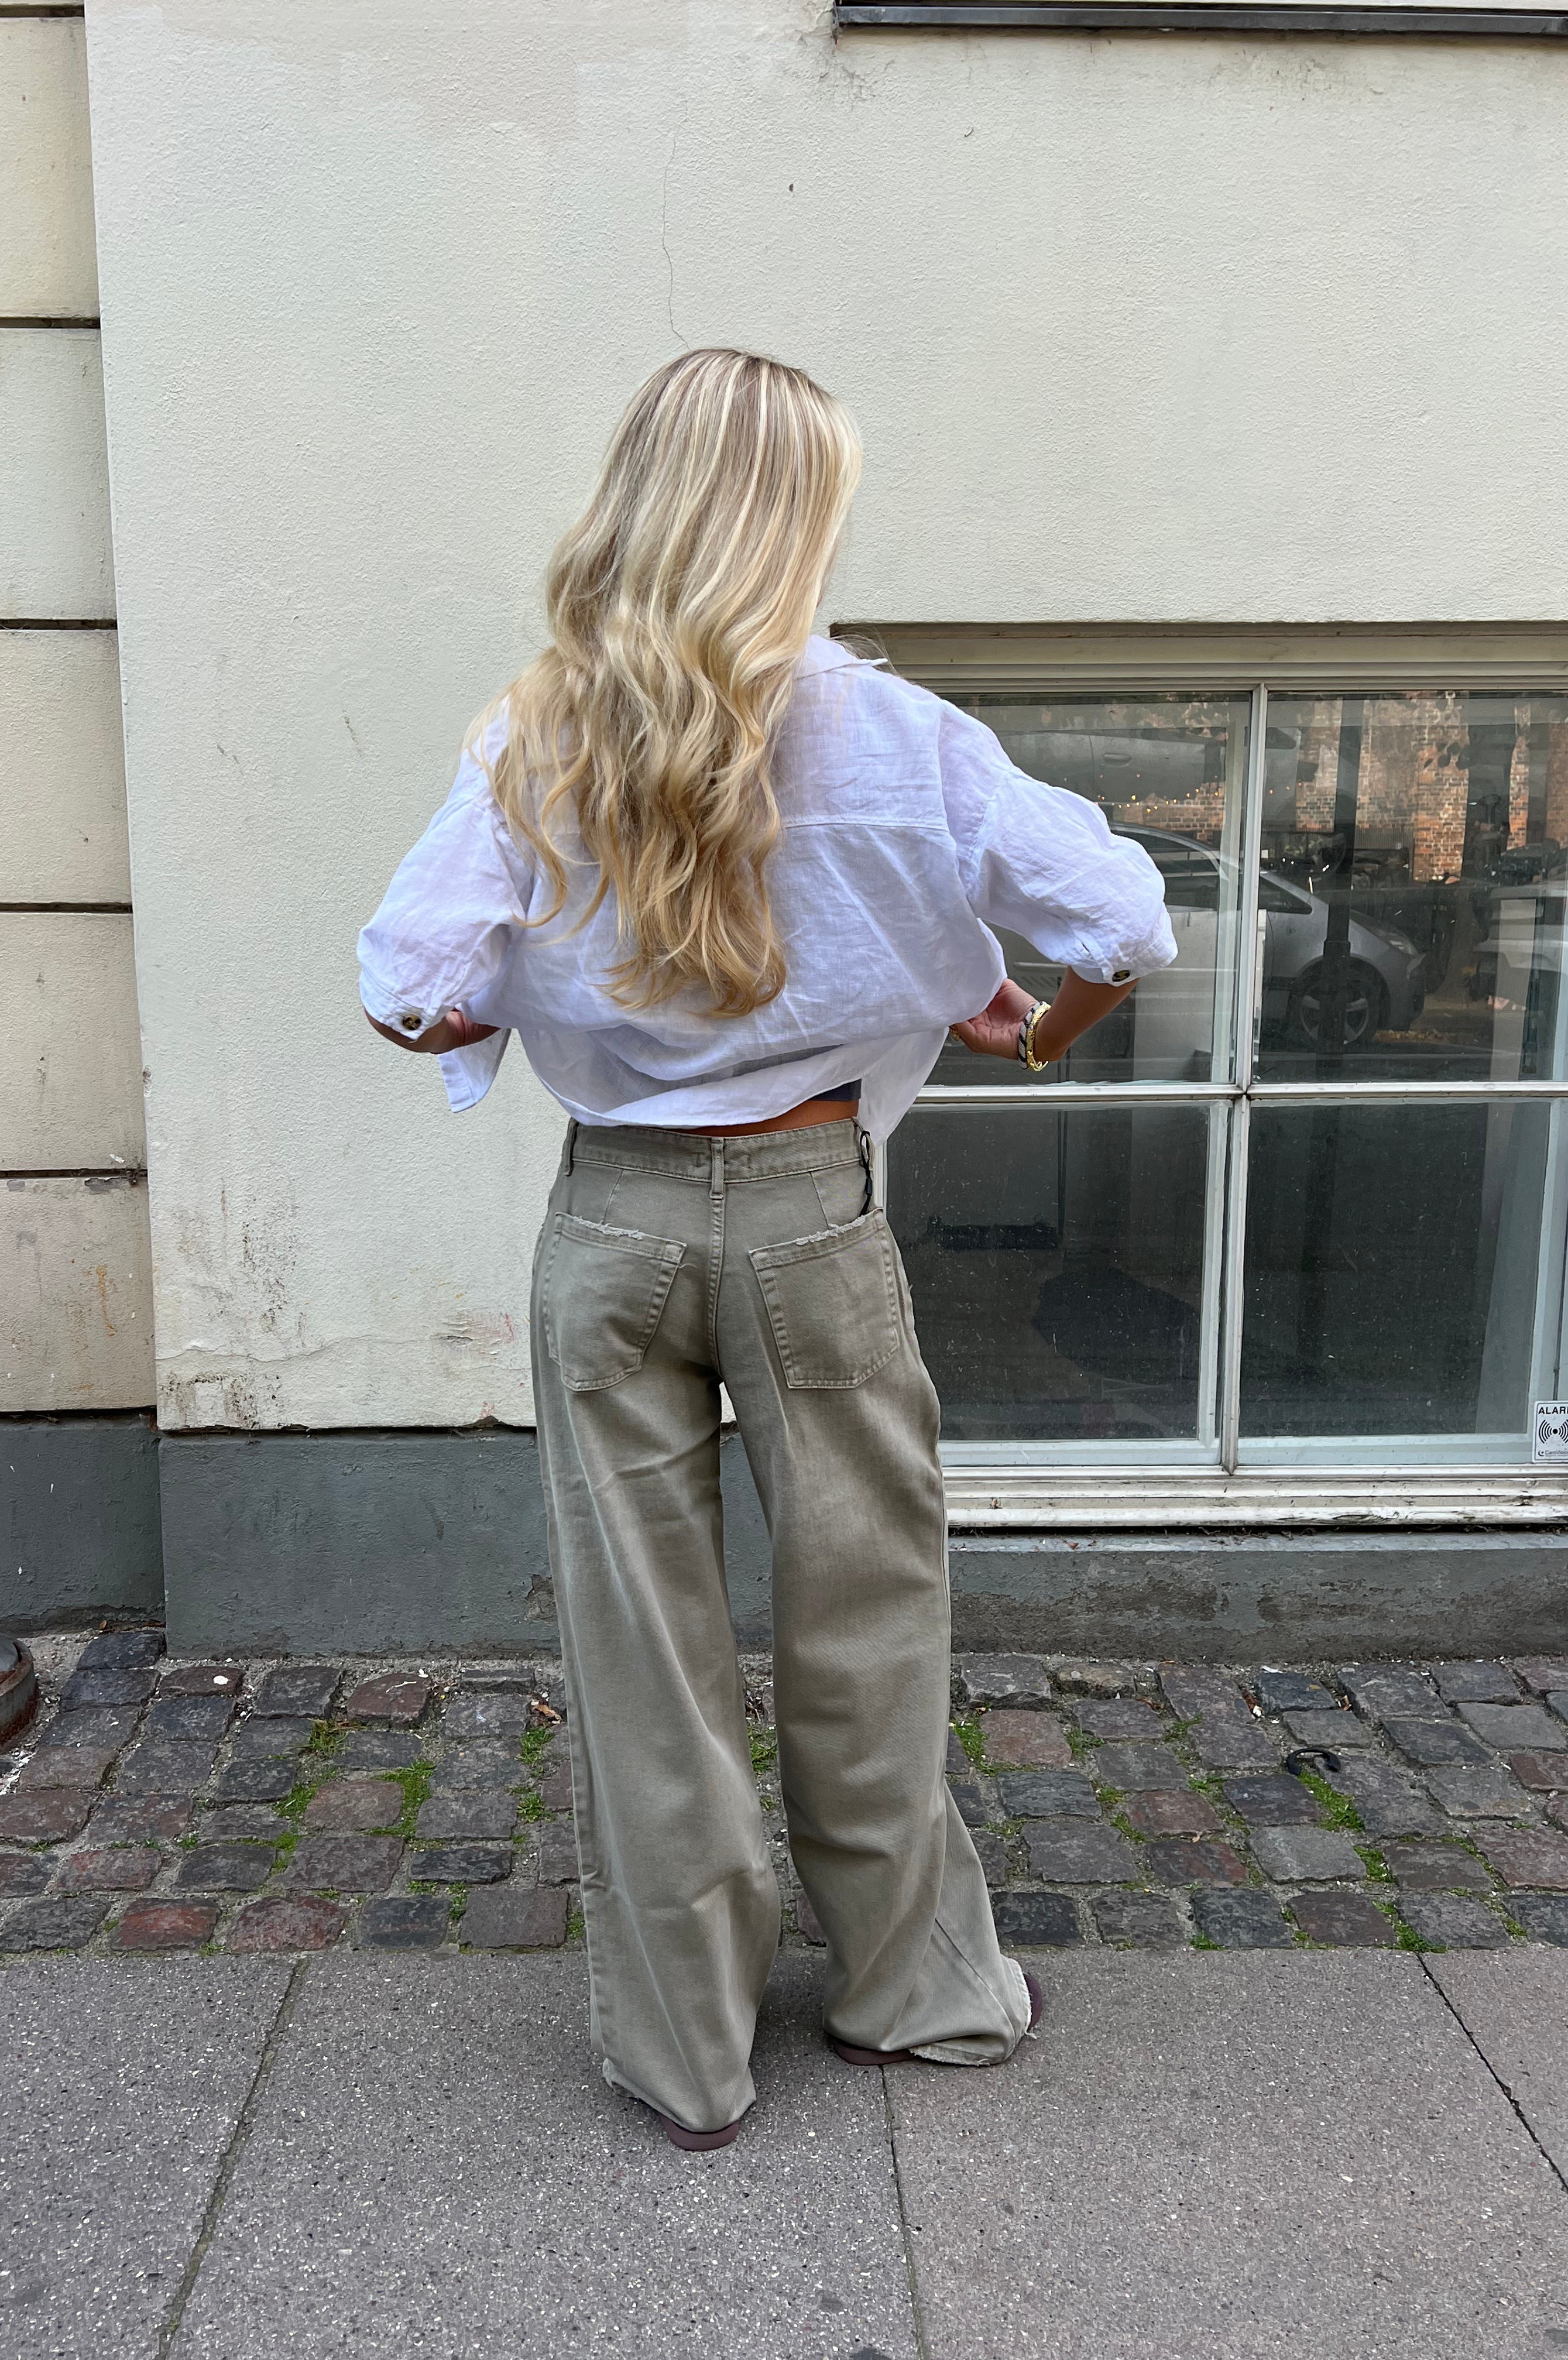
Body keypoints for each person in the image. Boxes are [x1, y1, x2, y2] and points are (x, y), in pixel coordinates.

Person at [358, 348, 1175, 2150]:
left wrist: (556, 997)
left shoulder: (537, 735)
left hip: (615, 1225)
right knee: (869, 1613)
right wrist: (1016, 1023)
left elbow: (411, 996)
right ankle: (911, 1993)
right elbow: (1121, 921)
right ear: (801, 519)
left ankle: (688, 2054)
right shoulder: (897, 734)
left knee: (642, 1654)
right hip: (814, 1221)